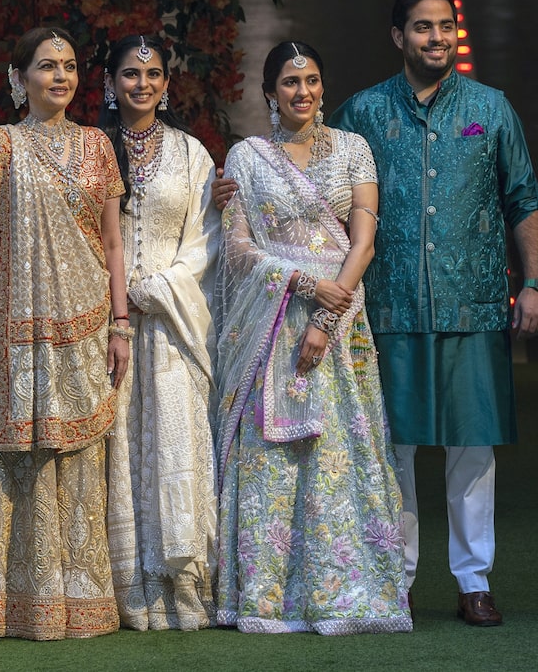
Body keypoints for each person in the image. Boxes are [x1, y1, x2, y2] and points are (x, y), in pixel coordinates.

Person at [330, 0, 538, 627]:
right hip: (388, 309)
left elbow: (524, 199)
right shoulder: (364, 112)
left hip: (473, 307)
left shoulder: (491, 108)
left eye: (445, 26)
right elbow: (315, 182)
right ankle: (393, 582)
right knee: (391, 450)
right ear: (399, 36)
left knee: (471, 448)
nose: (437, 37)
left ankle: (474, 581)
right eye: (423, 27)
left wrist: (533, 282)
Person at [0, 27, 130, 640]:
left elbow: (114, 241)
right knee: (18, 456)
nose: (61, 77)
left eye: (69, 66)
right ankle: (8, 602)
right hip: (17, 325)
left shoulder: (99, 144)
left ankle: (81, 599)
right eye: (47, 66)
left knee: (75, 457)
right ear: (18, 79)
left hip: (87, 319)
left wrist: (121, 324)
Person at [212, 41, 411, 635]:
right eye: (291, 83)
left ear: (324, 87)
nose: (304, 92)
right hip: (270, 322)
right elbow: (239, 247)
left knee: (335, 456)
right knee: (272, 459)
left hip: (340, 319)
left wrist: (327, 317)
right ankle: (265, 598)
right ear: (270, 93)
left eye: (313, 81)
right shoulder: (247, 158)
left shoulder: (354, 149)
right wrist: (299, 283)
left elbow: (364, 241)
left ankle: (341, 592)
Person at [97, 35, 221, 631]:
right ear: (110, 82)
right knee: (118, 446)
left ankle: (183, 582)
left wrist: (158, 286)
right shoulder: (94, 150)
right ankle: (125, 585)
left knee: (174, 440)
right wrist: (118, 297)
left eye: (152, 74)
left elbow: (207, 239)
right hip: (107, 326)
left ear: (167, 85)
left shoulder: (193, 154)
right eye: (129, 74)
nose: (141, 84)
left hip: (171, 325)